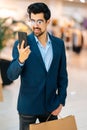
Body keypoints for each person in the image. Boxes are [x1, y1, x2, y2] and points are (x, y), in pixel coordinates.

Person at [7, 2, 68, 130]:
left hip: (51, 106)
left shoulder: (59, 44)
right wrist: (20, 60)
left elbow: (62, 75)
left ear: (48, 21)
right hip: (28, 107)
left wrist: (61, 101)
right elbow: (11, 75)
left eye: (39, 21)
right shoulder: (21, 44)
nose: (35, 25)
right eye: (32, 21)